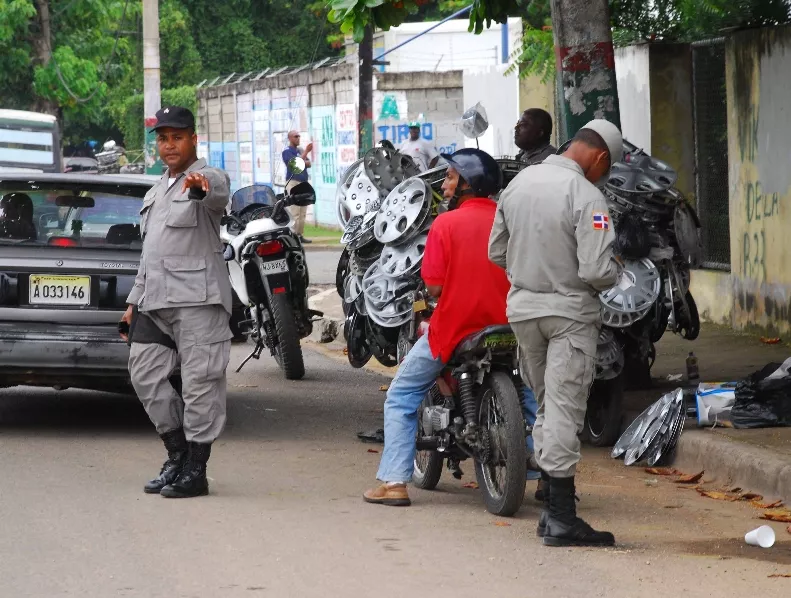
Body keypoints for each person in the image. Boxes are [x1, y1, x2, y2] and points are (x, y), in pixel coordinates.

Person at [488, 119, 623, 547]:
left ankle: (550, 513)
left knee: (548, 406)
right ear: (600, 157)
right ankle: (563, 517)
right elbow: (596, 270)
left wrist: (529, 271)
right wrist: (617, 271)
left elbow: (496, 251)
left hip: (524, 312)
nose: (603, 174)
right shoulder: (587, 195)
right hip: (569, 316)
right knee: (565, 410)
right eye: (606, 167)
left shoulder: (521, 183)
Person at [363, 148, 511, 507]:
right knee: (528, 395)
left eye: (449, 177)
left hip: (457, 328)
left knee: (400, 395)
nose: (444, 185)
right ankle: (541, 472)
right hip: (508, 325)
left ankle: (395, 481)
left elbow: (434, 287)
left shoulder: (446, 224)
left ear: (467, 184)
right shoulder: (509, 220)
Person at [119, 105, 233, 499]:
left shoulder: (206, 176)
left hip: (198, 302)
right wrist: (134, 301)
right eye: (163, 138)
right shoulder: (156, 189)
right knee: (144, 374)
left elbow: (215, 193)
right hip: (155, 301)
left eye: (177, 137)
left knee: (201, 385)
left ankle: (196, 470)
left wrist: (200, 186)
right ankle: (177, 454)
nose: (169, 145)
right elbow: (150, 254)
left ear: (193, 139)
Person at [282, 130, 313, 244]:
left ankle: (300, 234)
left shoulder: (299, 151)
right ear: (290, 138)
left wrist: (303, 159)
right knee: (295, 210)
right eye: (296, 136)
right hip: (293, 182)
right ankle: (294, 236)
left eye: (299, 136)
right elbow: (295, 165)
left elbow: (308, 163)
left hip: (303, 182)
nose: (298, 138)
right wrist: (305, 153)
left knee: (302, 210)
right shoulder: (287, 151)